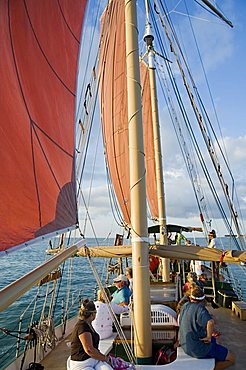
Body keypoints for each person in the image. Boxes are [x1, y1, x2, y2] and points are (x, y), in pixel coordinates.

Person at [179, 287, 235, 370]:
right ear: (203, 299)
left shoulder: (185, 306)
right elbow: (210, 322)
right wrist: (209, 337)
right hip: (197, 349)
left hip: (185, 346)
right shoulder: (201, 309)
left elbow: (182, 324)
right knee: (231, 359)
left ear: (191, 298)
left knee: (213, 341)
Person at [69, 299, 113, 370]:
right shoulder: (82, 327)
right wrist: (105, 359)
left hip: (94, 360)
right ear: (92, 314)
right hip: (82, 364)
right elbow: (89, 350)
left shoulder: (88, 324)